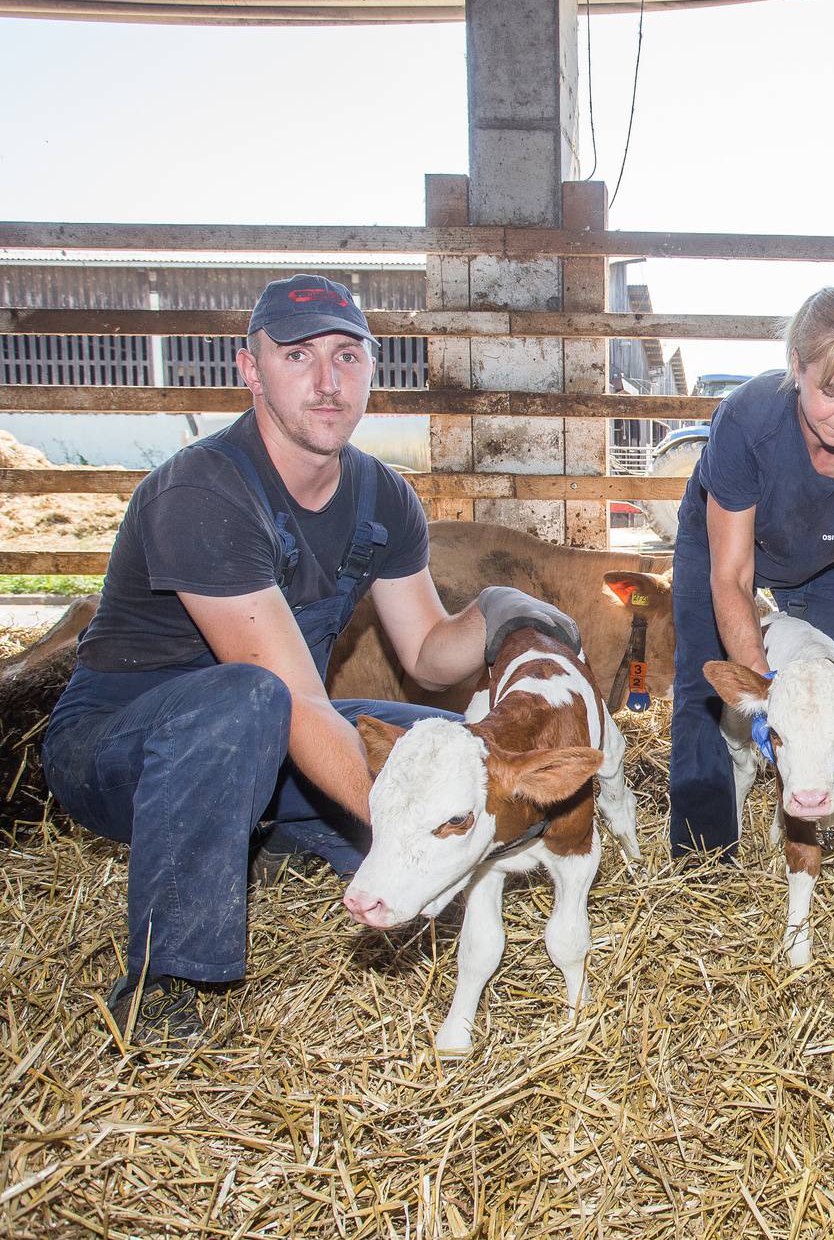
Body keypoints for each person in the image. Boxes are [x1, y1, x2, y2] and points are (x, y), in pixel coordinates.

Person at [43, 274, 522, 1046]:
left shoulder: (383, 498)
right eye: (297, 356)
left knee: (447, 742)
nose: (328, 382)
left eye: (347, 355)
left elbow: (431, 654)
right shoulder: (202, 490)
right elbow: (293, 702)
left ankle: (269, 838)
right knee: (250, 701)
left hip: (271, 742)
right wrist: (417, 836)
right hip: (123, 749)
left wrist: (500, 612)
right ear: (250, 369)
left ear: (373, 368)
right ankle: (162, 981)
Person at [669, 286, 834, 857]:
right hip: (724, 548)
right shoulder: (748, 421)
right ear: (797, 368)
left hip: (820, 554)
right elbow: (734, 579)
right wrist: (764, 699)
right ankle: (702, 858)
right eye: (832, 391)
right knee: (702, 686)